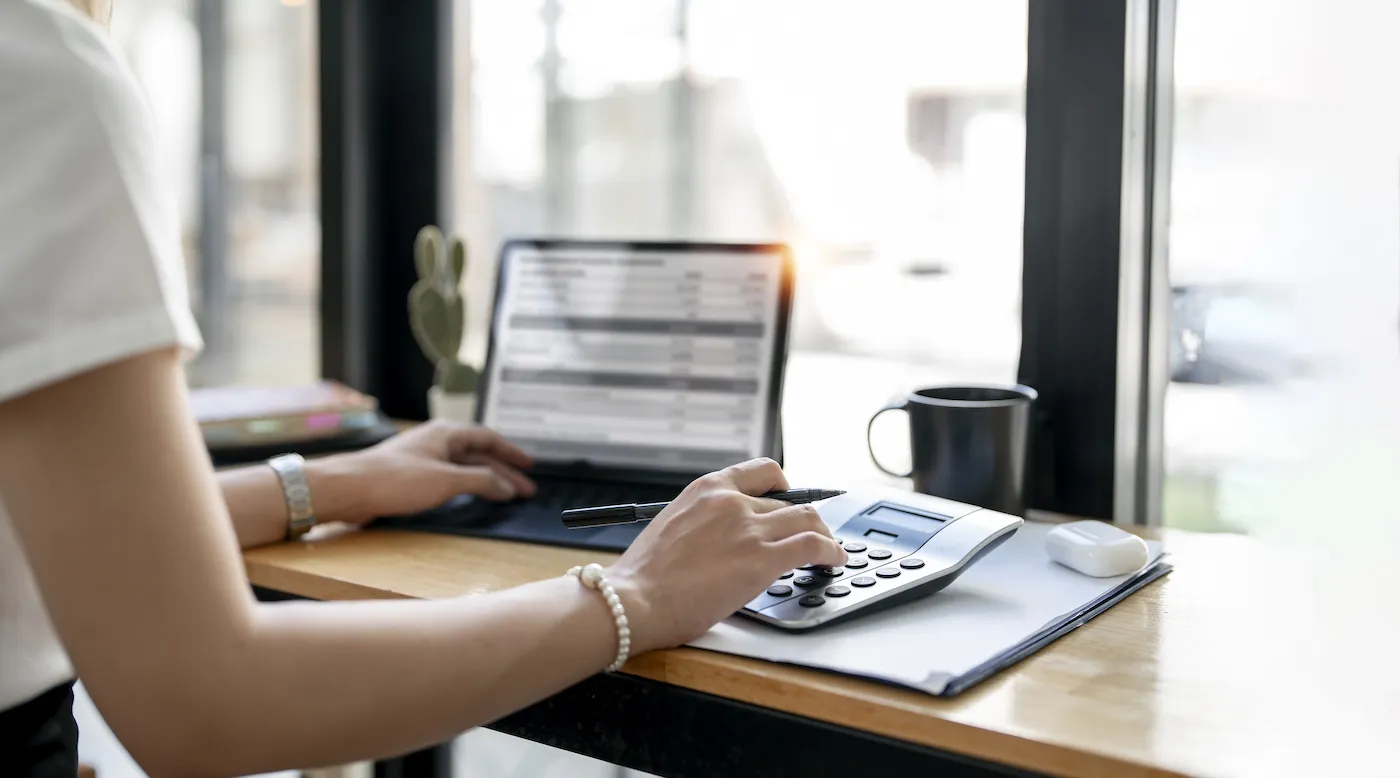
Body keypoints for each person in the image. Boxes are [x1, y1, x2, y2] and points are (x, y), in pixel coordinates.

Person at [0, 1, 847, 775]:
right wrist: (635, 594)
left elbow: (54, 530)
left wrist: (333, 484)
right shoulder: (39, 66)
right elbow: (202, 699)